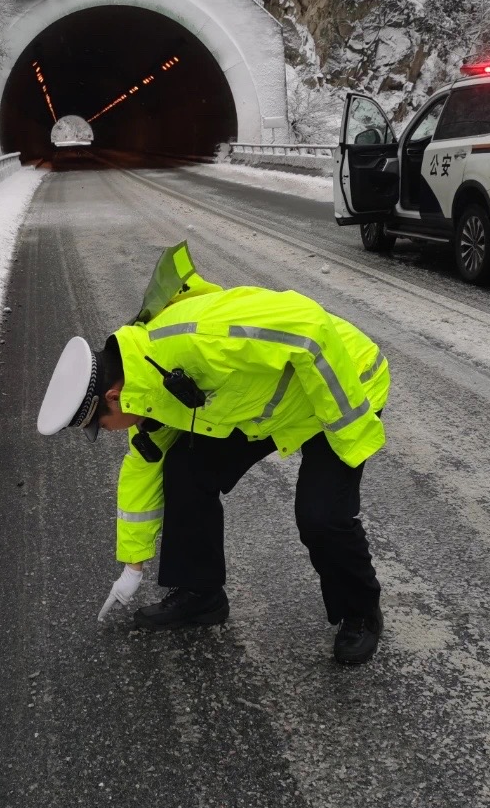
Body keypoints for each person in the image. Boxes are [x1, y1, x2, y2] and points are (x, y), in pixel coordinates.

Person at [37, 244, 391, 665]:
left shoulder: (195, 340)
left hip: (343, 384)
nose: (107, 432)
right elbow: (144, 463)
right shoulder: (145, 384)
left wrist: (353, 435)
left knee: (321, 515)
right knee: (185, 468)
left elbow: (310, 330)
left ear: (112, 395)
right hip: (274, 406)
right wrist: (132, 566)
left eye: (101, 425)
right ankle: (200, 593)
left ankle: (361, 614)